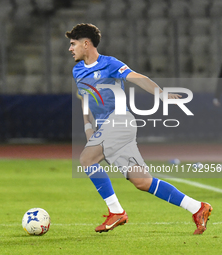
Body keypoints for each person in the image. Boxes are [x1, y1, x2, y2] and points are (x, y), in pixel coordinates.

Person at [65, 23, 212, 235]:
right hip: (107, 128)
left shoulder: (110, 64)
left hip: (120, 121)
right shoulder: (77, 70)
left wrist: (160, 94)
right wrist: (88, 126)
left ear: (86, 44)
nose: (70, 49)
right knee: (142, 181)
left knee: (87, 159)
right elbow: (85, 99)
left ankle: (116, 212)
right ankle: (197, 207)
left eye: (73, 44)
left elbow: (138, 78)